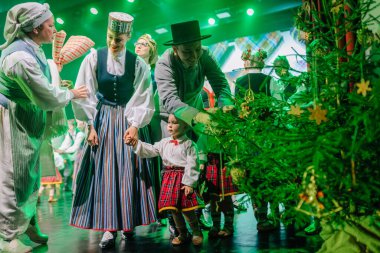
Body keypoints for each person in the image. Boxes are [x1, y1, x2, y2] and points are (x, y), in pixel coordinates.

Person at [0, 3, 88, 252]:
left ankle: (25, 223)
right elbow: (46, 96)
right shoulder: (19, 57)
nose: (54, 29)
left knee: (30, 176)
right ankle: (7, 237)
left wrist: (58, 84)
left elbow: (43, 83)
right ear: (36, 29)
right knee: (14, 177)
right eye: (50, 25)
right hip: (14, 118)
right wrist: (70, 93)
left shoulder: (34, 48)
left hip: (29, 117)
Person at [70, 12, 156, 249]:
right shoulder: (94, 59)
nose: (113, 43)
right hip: (104, 119)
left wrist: (135, 125)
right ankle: (109, 227)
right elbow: (84, 91)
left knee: (130, 171)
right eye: (110, 37)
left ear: (127, 36)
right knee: (106, 172)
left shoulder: (137, 63)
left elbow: (143, 95)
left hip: (128, 119)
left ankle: (128, 223)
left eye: (118, 39)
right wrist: (89, 126)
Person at [125, 113, 204, 246]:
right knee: (173, 209)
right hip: (169, 178)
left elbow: (192, 164)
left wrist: (189, 183)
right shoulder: (164, 142)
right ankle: (182, 233)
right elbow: (150, 149)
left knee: (187, 209)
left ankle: (196, 232)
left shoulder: (189, 144)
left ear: (185, 127)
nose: (170, 125)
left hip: (182, 178)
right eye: (169, 122)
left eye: (174, 122)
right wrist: (136, 144)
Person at [155, 20, 234, 138]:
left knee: (201, 152)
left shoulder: (205, 55)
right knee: (173, 153)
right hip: (169, 116)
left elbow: (221, 84)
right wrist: (199, 116)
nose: (194, 56)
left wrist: (225, 105)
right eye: (187, 51)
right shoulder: (164, 64)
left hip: (196, 109)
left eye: (197, 49)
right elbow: (170, 100)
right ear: (175, 49)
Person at [55, 119, 85, 191]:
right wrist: (59, 150)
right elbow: (66, 144)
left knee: (80, 173)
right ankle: (76, 190)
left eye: (68, 126)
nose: (67, 128)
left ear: (73, 126)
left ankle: (81, 189)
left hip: (84, 154)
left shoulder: (80, 134)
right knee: (75, 174)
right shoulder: (69, 133)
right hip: (78, 154)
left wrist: (63, 151)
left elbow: (74, 147)